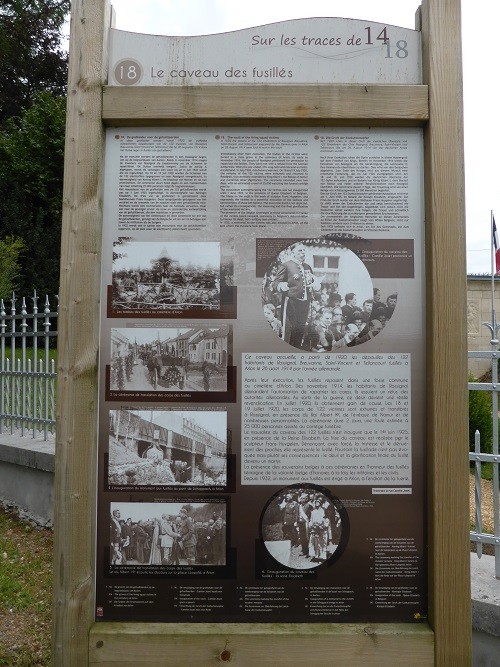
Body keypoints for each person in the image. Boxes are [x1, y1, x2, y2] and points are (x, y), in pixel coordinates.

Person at [272, 244, 321, 348]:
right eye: (299, 251)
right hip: (291, 301)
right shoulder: (286, 265)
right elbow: (276, 282)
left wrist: (316, 285)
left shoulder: (308, 267)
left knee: (300, 328)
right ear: (292, 252)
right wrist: (281, 285)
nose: (302, 253)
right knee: (289, 328)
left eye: (303, 250)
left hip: (305, 302)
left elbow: (311, 282)